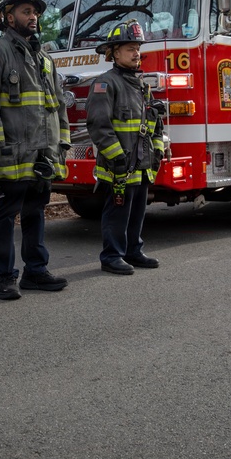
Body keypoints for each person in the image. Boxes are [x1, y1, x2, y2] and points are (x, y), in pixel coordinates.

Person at [0, 0, 70, 300]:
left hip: (42, 154)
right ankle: (4, 277)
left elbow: (58, 105)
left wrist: (62, 145)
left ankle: (35, 272)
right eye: (26, 10)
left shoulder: (45, 58)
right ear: (8, 16)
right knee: (4, 212)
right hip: (9, 154)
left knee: (35, 212)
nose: (33, 17)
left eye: (36, 11)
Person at [86, 20, 166, 275]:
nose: (136, 53)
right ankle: (111, 255)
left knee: (137, 209)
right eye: (130, 48)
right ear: (114, 52)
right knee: (118, 210)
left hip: (141, 164)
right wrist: (116, 157)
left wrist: (158, 150)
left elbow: (152, 124)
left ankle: (133, 250)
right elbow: (99, 126)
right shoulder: (105, 84)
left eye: (138, 48)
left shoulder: (142, 85)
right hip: (119, 165)